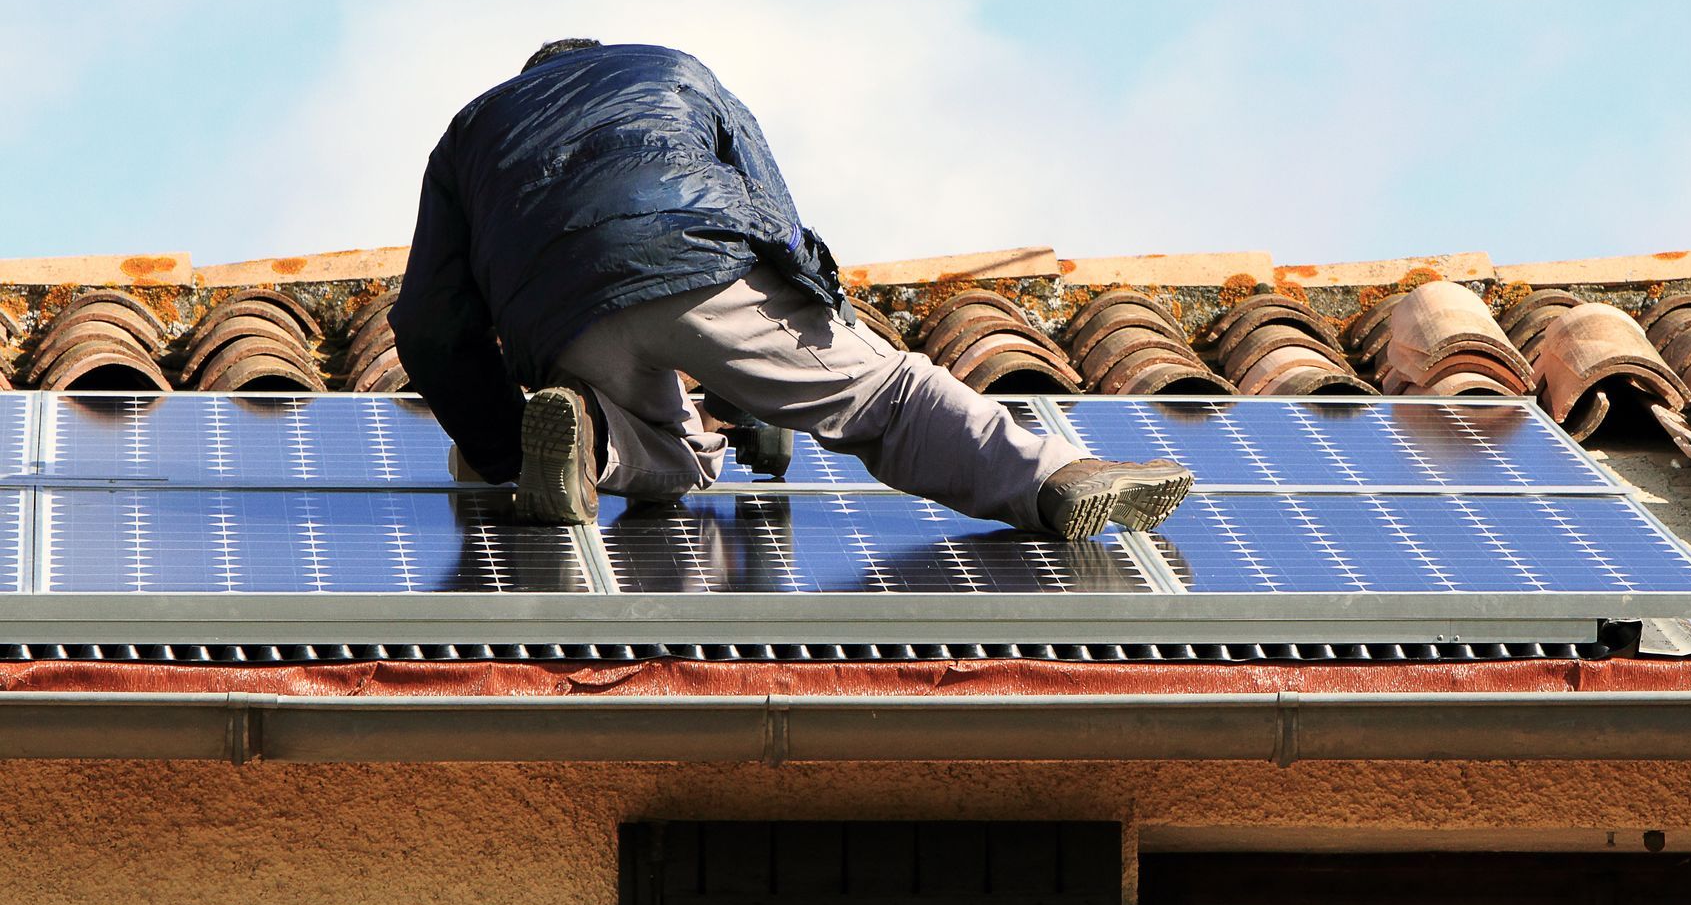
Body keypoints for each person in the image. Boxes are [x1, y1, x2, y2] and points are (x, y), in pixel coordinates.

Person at [391, 39, 1193, 539]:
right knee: (888, 397)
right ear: (597, 59)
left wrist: (495, 446)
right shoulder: (673, 69)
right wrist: (810, 342)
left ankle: (589, 441)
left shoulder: (470, 131)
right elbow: (773, 212)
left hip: (560, 318)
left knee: (670, 449)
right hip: (697, 254)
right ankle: (1054, 477)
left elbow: (428, 321)